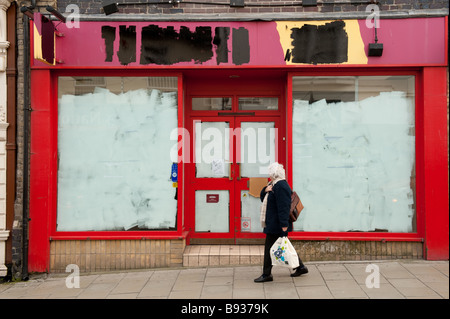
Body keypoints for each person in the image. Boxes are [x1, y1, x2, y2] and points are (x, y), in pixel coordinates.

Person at [254, 162, 308, 283]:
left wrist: (284, 225)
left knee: (269, 248)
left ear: (273, 174)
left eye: (270, 173)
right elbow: (264, 198)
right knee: (284, 245)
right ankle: (300, 267)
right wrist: (265, 190)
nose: (269, 175)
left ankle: (266, 274)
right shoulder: (273, 184)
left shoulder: (281, 186)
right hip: (273, 223)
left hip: (277, 224)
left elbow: (284, 208)